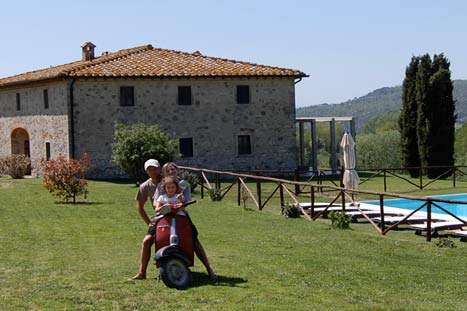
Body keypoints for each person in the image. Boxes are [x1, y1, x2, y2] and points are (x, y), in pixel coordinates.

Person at [154, 162, 216, 279]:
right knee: (151, 239)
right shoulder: (161, 185)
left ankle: (209, 268)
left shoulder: (183, 185)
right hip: (163, 217)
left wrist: (181, 201)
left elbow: (186, 201)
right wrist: (162, 207)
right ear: (164, 172)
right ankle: (149, 270)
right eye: (168, 170)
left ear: (177, 171)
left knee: (194, 240)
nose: (171, 171)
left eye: (173, 169)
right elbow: (156, 202)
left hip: (180, 215)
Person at [131, 159, 161, 280]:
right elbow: (140, 207)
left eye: (154, 168)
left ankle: (209, 269)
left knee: (192, 238)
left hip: (176, 216)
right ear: (146, 171)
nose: (152, 171)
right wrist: (149, 223)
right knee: (147, 241)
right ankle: (142, 273)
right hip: (159, 218)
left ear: (159, 168)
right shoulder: (145, 186)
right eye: (149, 169)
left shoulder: (167, 181)